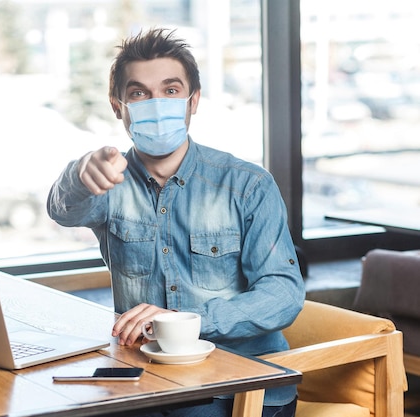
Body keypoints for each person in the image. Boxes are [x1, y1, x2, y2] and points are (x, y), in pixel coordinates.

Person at [47, 28, 305, 417]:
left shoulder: (247, 184)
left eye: (170, 90)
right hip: (145, 379)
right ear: (118, 106)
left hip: (239, 386)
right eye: (139, 93)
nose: (156, 103)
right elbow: (63, 210)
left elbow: (283, 294)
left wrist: (188, 323)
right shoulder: (106, 180)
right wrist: (78, 174)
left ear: (193, 101)